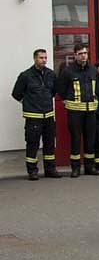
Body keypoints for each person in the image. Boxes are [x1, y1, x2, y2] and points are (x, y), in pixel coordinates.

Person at [12, 49, 60, 180]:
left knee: (49, 143)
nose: (44, 60)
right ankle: (32, 171)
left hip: (49, 115)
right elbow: (16, 94)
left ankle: (50, 170)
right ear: (34, 59)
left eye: (45, 57)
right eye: (41, 58)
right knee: (33, 144)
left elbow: (54, 91)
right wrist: (28, 103)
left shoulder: (51, 74)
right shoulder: (26, 76)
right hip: (33, 117)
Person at [56, 42, 99, 178]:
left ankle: (89, 167)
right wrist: (68, 101)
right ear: (75, 55)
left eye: (85, 53)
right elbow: (61, 90)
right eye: (80, 54)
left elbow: (97, 88)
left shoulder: (93, 70)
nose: (83, 56)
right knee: (75, 140)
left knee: (90, 139)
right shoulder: (68, 71)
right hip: (75, 112)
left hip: (91, 112)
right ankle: (75, 168)